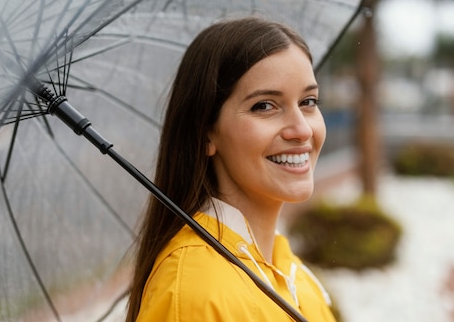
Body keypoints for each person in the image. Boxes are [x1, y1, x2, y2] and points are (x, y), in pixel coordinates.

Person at [125, 17, 336, 322]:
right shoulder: (196, 293)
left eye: (308, 101)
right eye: (264, 106)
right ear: (206, 133)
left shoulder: (288, 271)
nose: (302, 130)